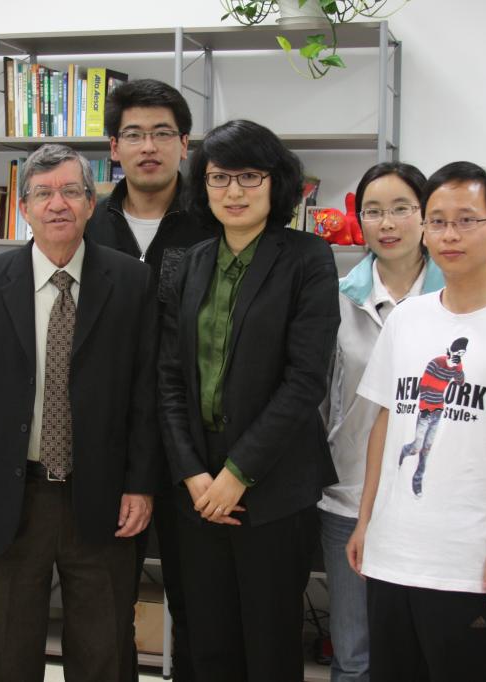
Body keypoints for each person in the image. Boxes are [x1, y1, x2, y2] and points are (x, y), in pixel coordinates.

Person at [346, 161, 486, 681]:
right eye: (438, 221)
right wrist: (366, 520)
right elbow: (385, 423)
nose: (449, 235)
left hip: (470, 564)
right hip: (392, 554)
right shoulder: (408, 319)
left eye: (466, 220)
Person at [0, 143, 160, 682]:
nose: (57, 203)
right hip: (12, 495)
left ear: (91, 203)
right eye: (42, 193)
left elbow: (145, 393)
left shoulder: (132, 281)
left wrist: (140, 484)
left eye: (70, 191)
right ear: (23, 207)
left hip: (103, 496)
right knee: (6, 651)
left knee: (103, 651)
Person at [158, 119, 340, 682]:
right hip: (196, 484)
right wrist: (192, 472)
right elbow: (168, 377)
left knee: (268, 644)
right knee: (203, 638)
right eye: (219, 177)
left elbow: (305, 380)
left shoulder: (308, 258)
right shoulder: (189, 262)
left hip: (273, 481)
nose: (233, 191)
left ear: (275, 182)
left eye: (249, 176)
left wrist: (237, 473)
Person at [86, 77, 214, 682]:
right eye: (133, 134)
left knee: (198, 602)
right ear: (114, 147)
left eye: (163, 133)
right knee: (105, 603)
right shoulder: (86, 224)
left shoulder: (214, 221)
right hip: (108, 441)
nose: (148, 147)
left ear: (185, 144)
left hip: (195, 439)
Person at [318, 162, 444, 682]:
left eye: (400, 209)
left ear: (425, 216)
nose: (387, 223)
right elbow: (319, 394)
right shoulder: (337, 297)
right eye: (373, 211)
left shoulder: (455, 299)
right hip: (348, 494)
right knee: (354, 656)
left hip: (432, 502)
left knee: (424, 656)